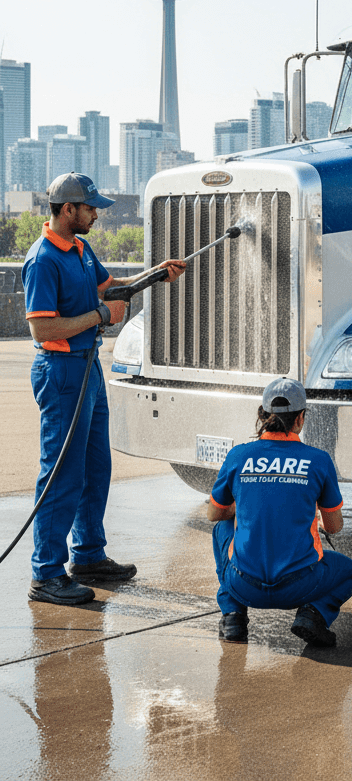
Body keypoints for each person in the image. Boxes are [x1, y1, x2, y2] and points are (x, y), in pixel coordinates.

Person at [24, 172, 187, 605]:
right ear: (67, 209)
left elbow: (108, 289)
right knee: (63, 473)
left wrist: (156, 274)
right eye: (90, 207)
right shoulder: (43, 260)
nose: (97, 214)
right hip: (61, 372)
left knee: (96, 468)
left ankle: (89, 556)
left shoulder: (79, 248)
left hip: (88, 369)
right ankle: (45, 574)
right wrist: (101, 317)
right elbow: (42, 329)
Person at [207, 377, 352, 647]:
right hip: (298, 587)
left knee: (222, 527)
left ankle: (232, 615)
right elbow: (334, 526)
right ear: (300, 419)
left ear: (263, 416)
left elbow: (214, 513)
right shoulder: (319, 460)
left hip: (245, 586)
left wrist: (241, 507)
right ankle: (313, 615)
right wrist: (316, 520)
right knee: (347, 572)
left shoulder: (238, 456)